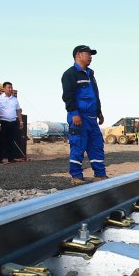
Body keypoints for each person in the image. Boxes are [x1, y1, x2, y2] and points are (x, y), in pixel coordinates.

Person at [61, 44, 106, 185]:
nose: (91, 57)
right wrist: (74, 113)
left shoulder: (90, 74)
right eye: (88, 54)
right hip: (79, 117)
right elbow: (68, 96)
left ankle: (100, 175)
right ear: (78, 55)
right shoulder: (70, 74)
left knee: (96, 145)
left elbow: (95, 96)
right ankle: (76, 176)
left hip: (92, 118)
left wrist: (99, 112)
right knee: (78, 145)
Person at [0, 81, 22, 162]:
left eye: (11, 87)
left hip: (13, 122)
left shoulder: (15, 99)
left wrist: (21, 121)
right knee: (1, 141)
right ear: (4, 88)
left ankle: (11, 158)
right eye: (9, 87)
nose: (10, 89)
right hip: (3, 122)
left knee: (11, 141)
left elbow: (18, 110)